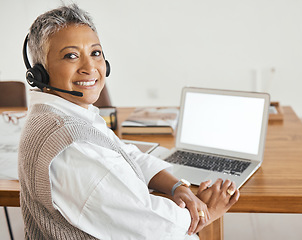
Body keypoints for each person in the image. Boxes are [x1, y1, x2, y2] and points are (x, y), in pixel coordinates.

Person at [18, 4, 240, 240]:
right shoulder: (72, 149)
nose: (90, 67)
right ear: (40, 73)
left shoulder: (66, 116)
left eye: (95, 53)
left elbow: (126, 154)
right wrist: (206, 213)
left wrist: (179, 188)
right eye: (71, 55)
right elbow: (152, 226)